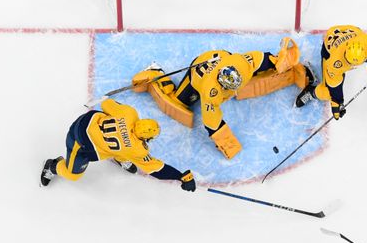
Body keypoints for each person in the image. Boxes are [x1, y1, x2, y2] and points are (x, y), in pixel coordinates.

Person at [130, 39, 315, 159]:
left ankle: (293, 74)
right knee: (181, 102)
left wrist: (281, 62)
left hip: (220, 58)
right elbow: (212, 122)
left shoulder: (240, 64)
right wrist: (226, 143)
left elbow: (262, 59)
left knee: (259, 74)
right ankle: (155, 72)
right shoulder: (210, 93)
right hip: (198, 72)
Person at [40, 98, 196, 192]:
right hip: (78, 141)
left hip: (87, 120)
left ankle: (120, 157)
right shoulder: (137, 149)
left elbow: (107, 103)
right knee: (73, 175)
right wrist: (180, 176)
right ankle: (52, 166)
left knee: (121, 147)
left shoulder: (129, 113)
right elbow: (157, 169)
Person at [295, 25, 367, 119]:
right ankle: (311, 92)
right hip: (330, 46)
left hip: (353, 32)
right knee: (327, 92)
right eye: (350, 63)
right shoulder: (335, 63)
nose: (352, 66)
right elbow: (334, 85)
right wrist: (337, 103)